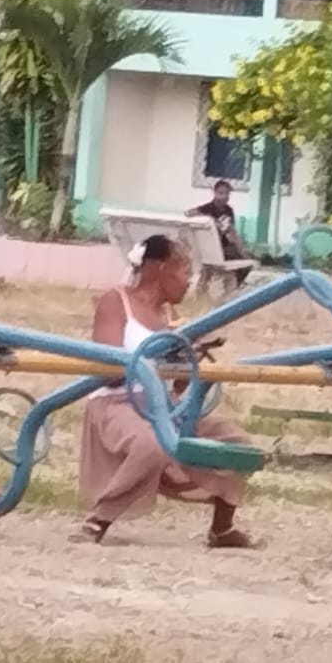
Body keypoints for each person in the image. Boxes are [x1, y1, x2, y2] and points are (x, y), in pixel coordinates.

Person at [76, 234, 257, 548]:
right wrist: (155, 358)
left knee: (236, 443)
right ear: (162, 269)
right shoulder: (116, 302)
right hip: (117, 402)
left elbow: (179, 386)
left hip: (163, 405)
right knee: (154, 441)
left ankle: (222, 529)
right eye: (185, 271)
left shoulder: (170, 318)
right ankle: (98, 520)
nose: (189, 281)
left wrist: (188, 361)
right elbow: (105, 371)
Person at [185, 181, 253, 286]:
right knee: (246, 263)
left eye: (227, 193)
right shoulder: (206, 209)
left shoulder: (228, 210)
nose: (224, 196)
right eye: (221, 193)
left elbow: (231, 234)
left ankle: (231, 284)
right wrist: (210, 220)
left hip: (222, 247)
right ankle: (232, 286)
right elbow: (188, 213)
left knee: (244, 256)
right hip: (214, 250)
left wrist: (239, 246)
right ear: (214, 192)